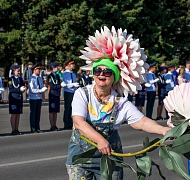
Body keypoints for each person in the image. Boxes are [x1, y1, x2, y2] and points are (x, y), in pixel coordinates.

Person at [66, 26, 170, 180]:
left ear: (114, 77)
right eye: (98, 71)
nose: (102, 74)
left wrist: (163, 131)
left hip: (110, 159)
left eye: (107, 72)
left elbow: (141, 122)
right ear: (93, 74)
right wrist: (101, 140)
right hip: (80, 159)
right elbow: (79, 123)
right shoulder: (82, 94)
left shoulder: (120, 103)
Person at [28, 62, 47, 133]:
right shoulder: (31, 79)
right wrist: (41, 90)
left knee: (38, 113)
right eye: (38, 69)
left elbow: (41, 86)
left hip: (39, 98)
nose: (39, 71)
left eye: (39, 69)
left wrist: (43, 90)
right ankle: (33, 128)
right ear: (34, 70)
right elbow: (32, 90)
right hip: (33, 98)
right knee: (33, 113)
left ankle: (37, 127)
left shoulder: (39, 78)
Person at [61, 59, 79, 130]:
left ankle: (71, 122)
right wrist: (73, 84)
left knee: (72, 108)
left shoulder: (73, 74)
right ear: (68, 65)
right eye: (72, 64)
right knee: (67, 108)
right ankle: (66, 123)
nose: (73, 66)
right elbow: (66, 84)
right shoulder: (65, 74)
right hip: (68, 92)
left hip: (73, 92)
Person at [8, 65, 26, 135]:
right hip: (13, 98)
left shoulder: (20, 79)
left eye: (19, 71)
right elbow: (11, 89)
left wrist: (23, 89)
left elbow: (22, 86)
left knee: (18, 114)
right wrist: (19, 89)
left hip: (19, 98)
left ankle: (17, 129)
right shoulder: (10, 79)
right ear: (13, 71)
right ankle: (13, 129)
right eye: (17, 71)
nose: (18, 72)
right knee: (14, 114)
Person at [47, 62, 61, 131]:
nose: (56, 68)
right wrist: (60, 86)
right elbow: (52, 86)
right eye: (55, 67)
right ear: (52, 68)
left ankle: (55, 125)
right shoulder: (50, 76)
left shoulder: (57, 76)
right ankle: (52, 125)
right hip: (52, 94)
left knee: (55, 111)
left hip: (57, 94)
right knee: (52, 111)